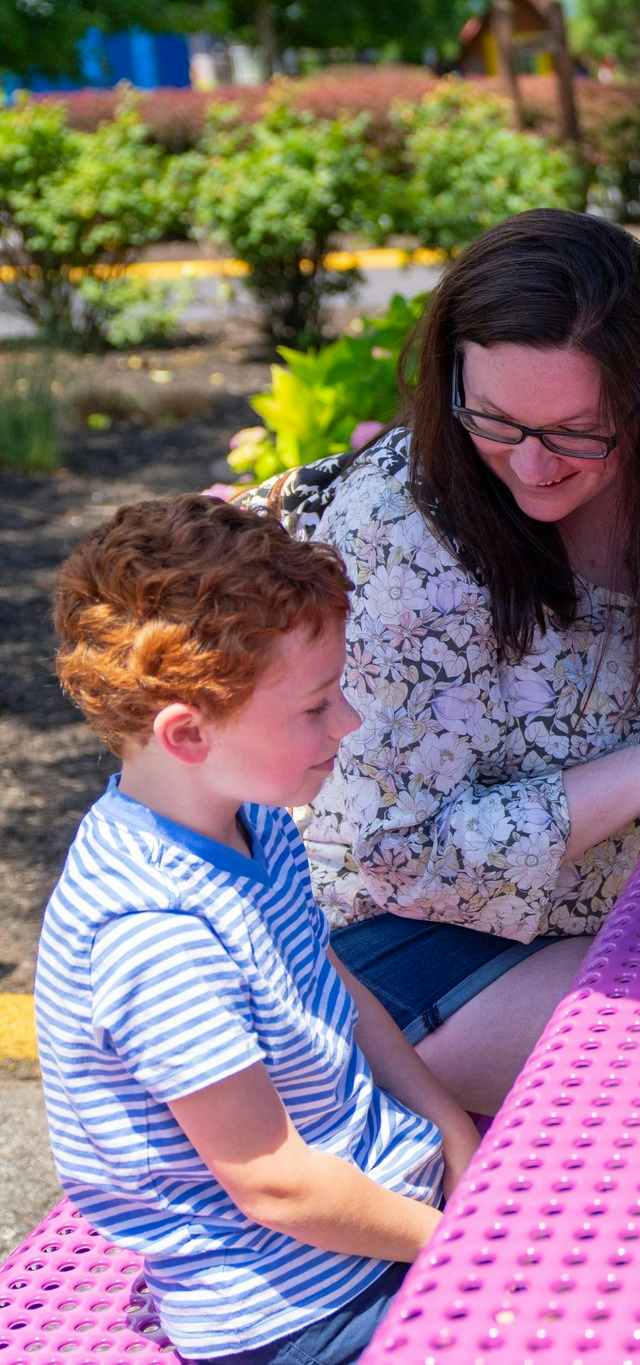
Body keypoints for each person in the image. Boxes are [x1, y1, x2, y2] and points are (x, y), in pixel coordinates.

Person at [258, 210, 640, 1116]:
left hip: (621, 888)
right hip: (398, 941)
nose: (533, 465)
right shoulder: (399, 537)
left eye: (579, 431)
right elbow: (392, 852)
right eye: (495, 419)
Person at [37, 495, 476, 1364]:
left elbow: (331, 987)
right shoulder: (152, 933)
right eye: (315, 707)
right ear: (189, 732)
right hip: (298, 1309)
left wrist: (451, 1128)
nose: (346, 722)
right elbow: (273, 1182)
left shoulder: (251, 817)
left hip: (373, 1217)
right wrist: (468, 1249)